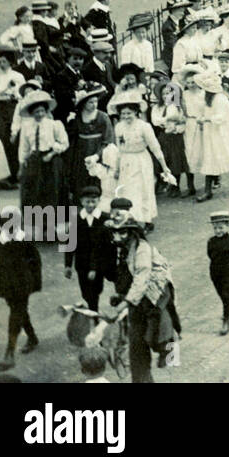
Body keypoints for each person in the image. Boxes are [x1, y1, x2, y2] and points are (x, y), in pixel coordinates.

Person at [106, 215, 179, 384]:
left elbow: (141, 279)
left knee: (156, 336)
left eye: (122, 232)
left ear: (132, 232)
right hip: (136, 300)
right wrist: (122, 297)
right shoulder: (122, 249)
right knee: (137, 345)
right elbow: (125, 277)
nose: (117, 237)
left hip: (155, 295)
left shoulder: (142, 249)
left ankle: (167, 350)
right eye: (114, 233)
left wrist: (125, 303)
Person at [0, 207, 42, 369]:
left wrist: (35, 283)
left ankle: (10, 353)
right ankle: (32, 337)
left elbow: (35, 261)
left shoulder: (24, 239)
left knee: (15, 313)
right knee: (19, 311)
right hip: (7, 285)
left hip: (23, 284)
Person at [108, 90, 173, 229]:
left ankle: (147, 220)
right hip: (126, 161)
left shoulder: (144, 126)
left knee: (143, 189)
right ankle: (131, 219)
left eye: (129, 113)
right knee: (127, 190)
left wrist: (164, 166)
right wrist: (117, 168)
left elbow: (155, 147)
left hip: (141, 160)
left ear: (136, 112)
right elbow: (119, 149)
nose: (126, 116)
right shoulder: (119, 127)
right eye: (123, 114)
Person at [190, 69, 229, 201]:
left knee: (225, 155)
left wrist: (206, 119)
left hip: (221, 133)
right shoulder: (206, 98)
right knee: (210, 158)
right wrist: (200, 118)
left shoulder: (220, 99)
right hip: (210, 133)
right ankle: (210, 190)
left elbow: (221, 117)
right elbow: (202, 110)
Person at [17, 89, 69, 211]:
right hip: (34, 160)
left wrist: (52, 153)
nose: (39, 114)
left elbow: (64, 143)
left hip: (51, 160)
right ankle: (35, 219)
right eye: (36, 112)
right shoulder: (26, 127)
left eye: (42, 111)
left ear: (46, 111)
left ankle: (51, 220)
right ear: (31, 113)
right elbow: (24, 148)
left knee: (52, 190)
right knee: (33, 190)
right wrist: (21, 166)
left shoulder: (54, 125)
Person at [64, 83, 113, 203]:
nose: (94, 105)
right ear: (84, 104)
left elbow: (108, 139)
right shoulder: (77, 118)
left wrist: (98, 155)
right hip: (81, 151)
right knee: (80, 177)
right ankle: (80, 209)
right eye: (90, 102)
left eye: (95, 102)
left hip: (97, 149)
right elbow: (71, 137)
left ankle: (98, 208)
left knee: (97, 178)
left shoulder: (103, 117)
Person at [207, 211, 229, 335]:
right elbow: (210, 255)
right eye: (215, 228)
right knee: (222, 295)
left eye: (221, 227)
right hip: (216, 273)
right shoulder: (211, 242)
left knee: (226, 295)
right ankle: (226, 312)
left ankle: (226, 320)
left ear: (227, 227)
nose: (218, 231)